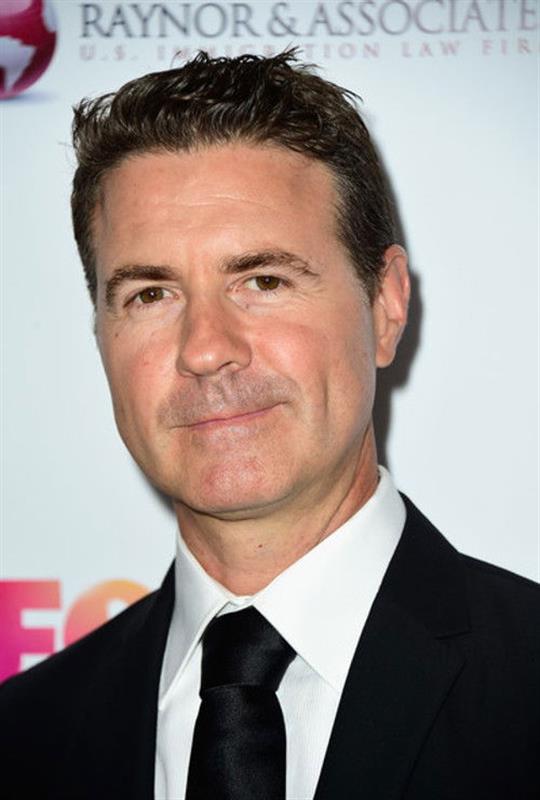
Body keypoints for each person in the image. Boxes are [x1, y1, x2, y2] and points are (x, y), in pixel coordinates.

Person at [1, 51, 538, 800]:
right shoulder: (21, 736)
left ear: (386, 306)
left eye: (262, 280)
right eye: (151, 294)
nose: (205, 349)